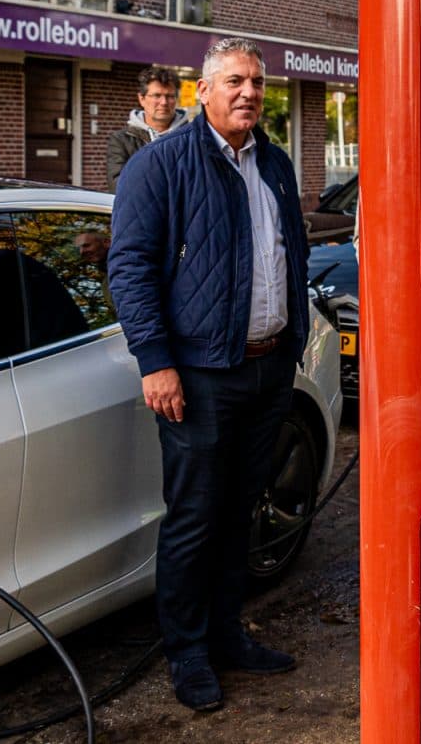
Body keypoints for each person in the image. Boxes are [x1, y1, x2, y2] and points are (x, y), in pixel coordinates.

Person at [108, 37, 311, 712]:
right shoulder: (162, 165)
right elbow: (130, 268)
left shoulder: (276, 165)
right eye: (234, 81)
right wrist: (156, 362)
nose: (249, 92)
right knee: (194, 518)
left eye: (256, 82)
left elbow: (290, 255)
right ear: (202, 91)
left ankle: (228, 634)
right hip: (197, 377)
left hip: (267, 367)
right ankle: (187, 652)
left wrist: (294, 343)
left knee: (240, 513)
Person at [107, 65, 189, 188]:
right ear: (142, 99)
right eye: (157, 95)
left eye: (170, 96)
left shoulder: (193, 137)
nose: (164, 102)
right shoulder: (122, 140)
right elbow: (118, 185)